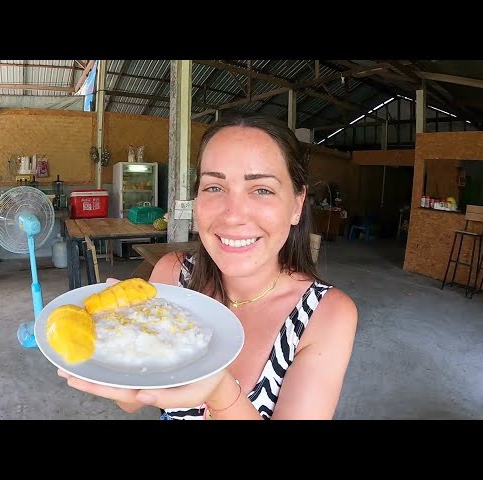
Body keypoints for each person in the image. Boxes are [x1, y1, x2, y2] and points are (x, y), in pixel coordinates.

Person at [58, 113, 358, 420]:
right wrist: (119, 340)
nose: (233, 215)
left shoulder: (326, 314)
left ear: (296, 205)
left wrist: (220, 392)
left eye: (262, 189)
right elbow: (134, 399)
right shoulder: (171, 276)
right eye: (214, 187)